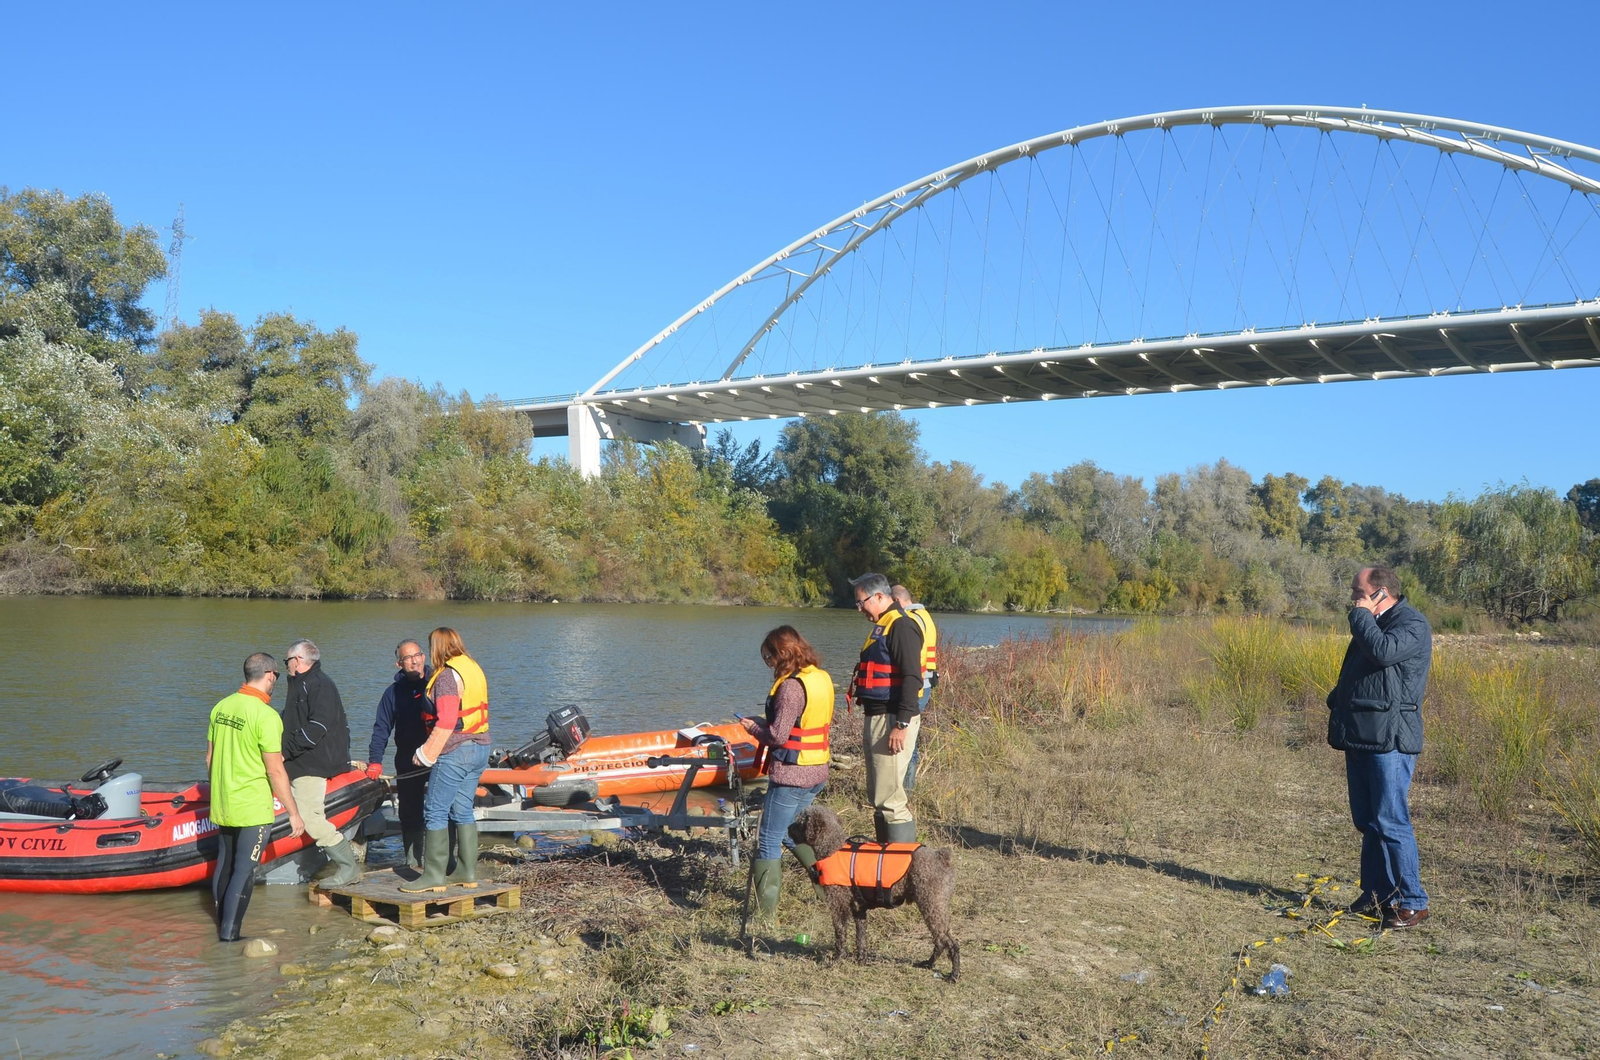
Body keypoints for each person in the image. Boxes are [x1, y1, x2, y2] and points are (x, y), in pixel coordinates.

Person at [1327, 566, 1432, 930]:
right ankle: (1377, 894)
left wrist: (1360, 616)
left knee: (1390, 820)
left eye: (1358, 591)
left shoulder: (1411, 623)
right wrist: (1339, 699)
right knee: (1368, 821)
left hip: (1391, 740)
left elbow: (1384, 653)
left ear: (1380, 592)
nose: (1352, 598)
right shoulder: (1371, 622)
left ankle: (1413, 902)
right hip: (1362, 734)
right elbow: (1364, 671)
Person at [207, 652, 304, 941]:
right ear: (270, 675)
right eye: (277, 676)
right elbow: (275, 771)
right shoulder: (266, 716)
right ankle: (230, 936)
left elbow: (210, 758)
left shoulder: (221, 707)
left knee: (224, 865)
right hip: (251, 806)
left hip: (223, 802)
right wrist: (294, 812)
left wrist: (218, 792)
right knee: (245, 870)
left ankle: (220, 925)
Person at [739, 625, 834, 918]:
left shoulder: (792, 687)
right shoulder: (821, 676)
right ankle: (827, 891)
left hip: (793, 774)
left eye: (769, 658)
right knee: (793, 834)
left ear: (781, 654)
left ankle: (764, 916)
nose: (769, 664)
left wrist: (753, 727)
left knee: (768, 838)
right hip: (817, 770)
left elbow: (779, 736)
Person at [400, 627, 492, 893]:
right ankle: (466, 871)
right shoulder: (472, 667)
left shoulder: (447, 677)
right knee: (462, 809)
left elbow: (448, 720)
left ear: (436, 648)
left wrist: (425, 753)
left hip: (456, 752)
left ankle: (434, 875)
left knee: (435, 811)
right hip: (481, 747)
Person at [848, 572, 925, 844]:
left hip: (892, 717)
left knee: (890, 799)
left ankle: (900, 869)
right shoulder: (883, 624)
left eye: (861, 602)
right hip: (878, 715)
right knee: (878, 794)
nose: (859, 609)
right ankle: (884, 855)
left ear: (879, 597)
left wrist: (901, 724)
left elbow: (912, 678)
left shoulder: (901, 626)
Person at [281, 638, 359, 886]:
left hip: (312, 763)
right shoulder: (300, 684)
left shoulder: (318, 685)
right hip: (297, 760)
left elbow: (317, 727)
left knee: (312, 818)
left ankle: (349, 868)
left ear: (297, 661)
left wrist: (286, 750)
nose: (286, 667)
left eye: (287, 661)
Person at [361, 639, 431, 869]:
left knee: (439, 810)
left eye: (417, 655)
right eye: (408, 658)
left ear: (424, 657)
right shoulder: (392, 693)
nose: (414, 661)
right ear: (399, 663)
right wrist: (375, 761)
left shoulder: (437, 683)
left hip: (437, 756)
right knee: (409, 813)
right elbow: (381, 728)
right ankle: (413, 861)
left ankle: (441, 862)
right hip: (407, 758)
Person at [891, 584, 938, 794]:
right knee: (911, 740)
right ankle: (907, 789)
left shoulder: (910, 620)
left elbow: (911, 661)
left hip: (916, 687)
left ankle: (904, 790)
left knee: (906, 741)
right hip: (924, 684)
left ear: (897, 601)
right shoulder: (924, 615)